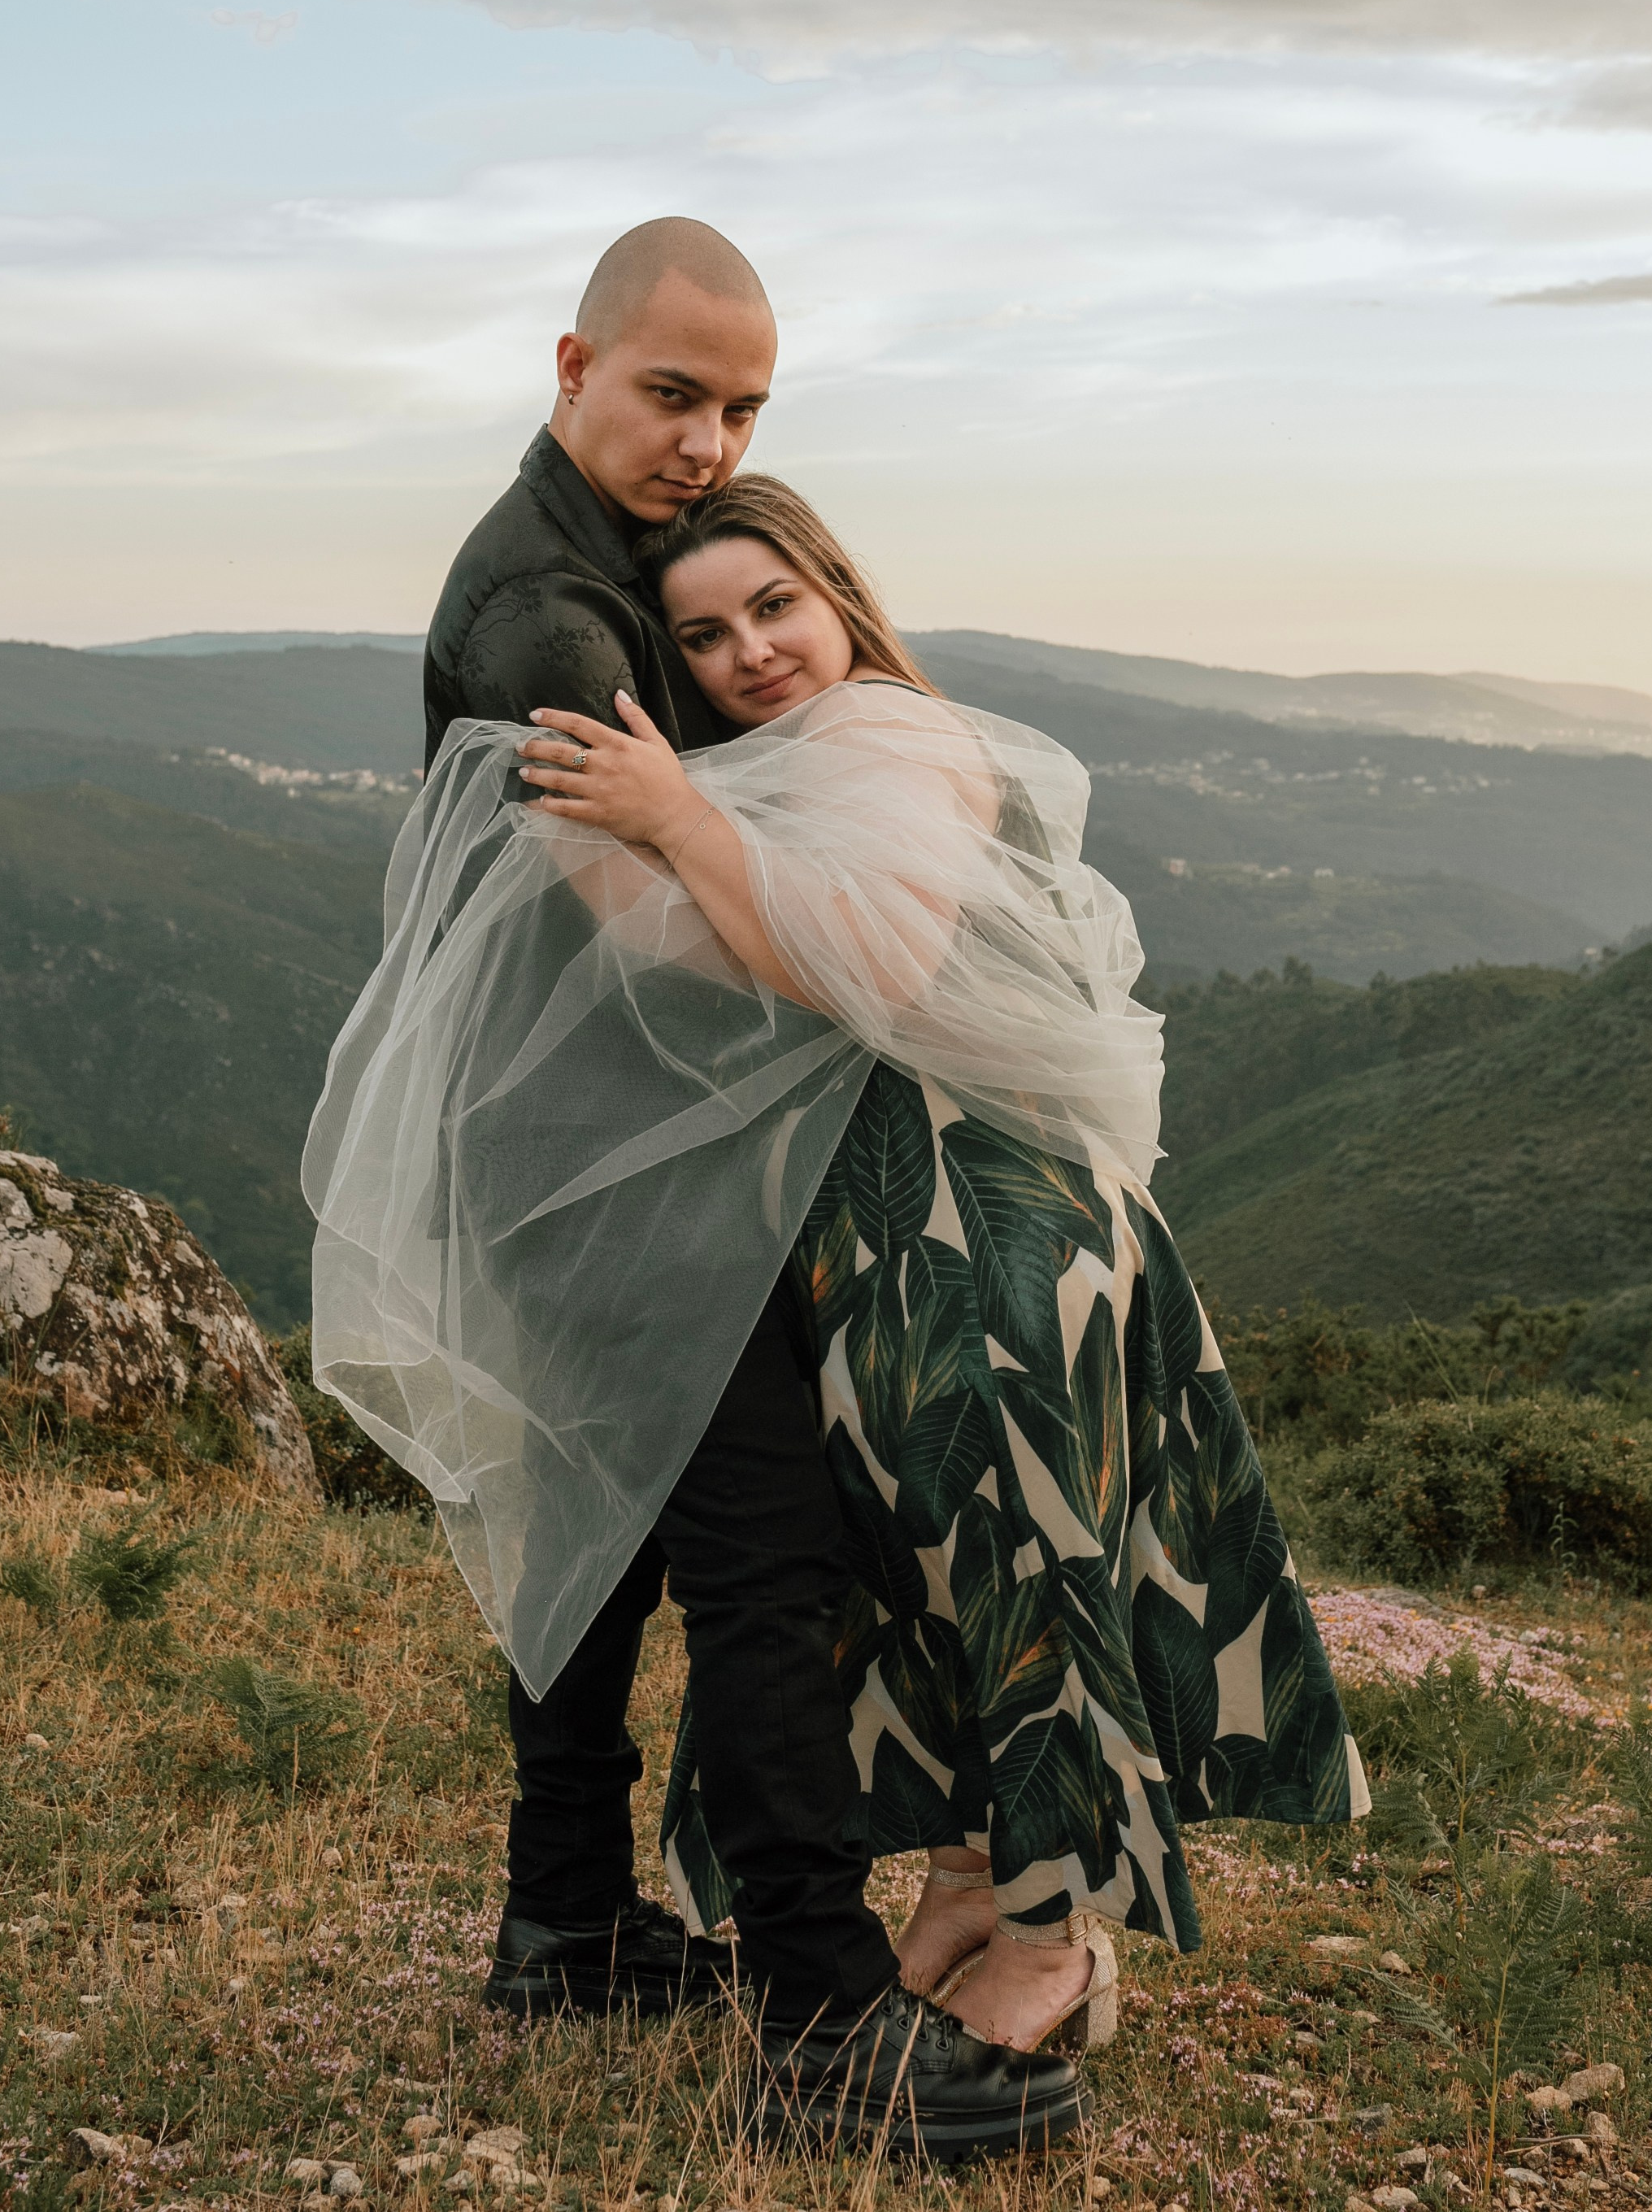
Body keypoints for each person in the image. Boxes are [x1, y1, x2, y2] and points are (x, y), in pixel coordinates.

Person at [328, 228, 1080, 2158]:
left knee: (607, 1530)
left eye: (743, 405)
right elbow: (653, 932)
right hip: (616, 1177)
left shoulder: (593, 565)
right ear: (576, 358)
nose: (707, 436)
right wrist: (805, 894)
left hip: (586, 1160)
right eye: (674, 392)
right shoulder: (551, 627)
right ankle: (826, 2021)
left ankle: (564, 1916)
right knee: (765, 1562)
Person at [508, 478, 1368, 2065]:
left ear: (834, 591)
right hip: (874, 1226)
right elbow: (711, 955)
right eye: (702, 632)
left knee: (1018, 1559)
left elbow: (872, 959)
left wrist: (676, 821)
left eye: (773, 605)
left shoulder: (889, 739)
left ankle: (1054, 1942)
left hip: (990, 1229)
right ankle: (970, 1884)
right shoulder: (766, 761)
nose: (750, 650)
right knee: (904, 1567)